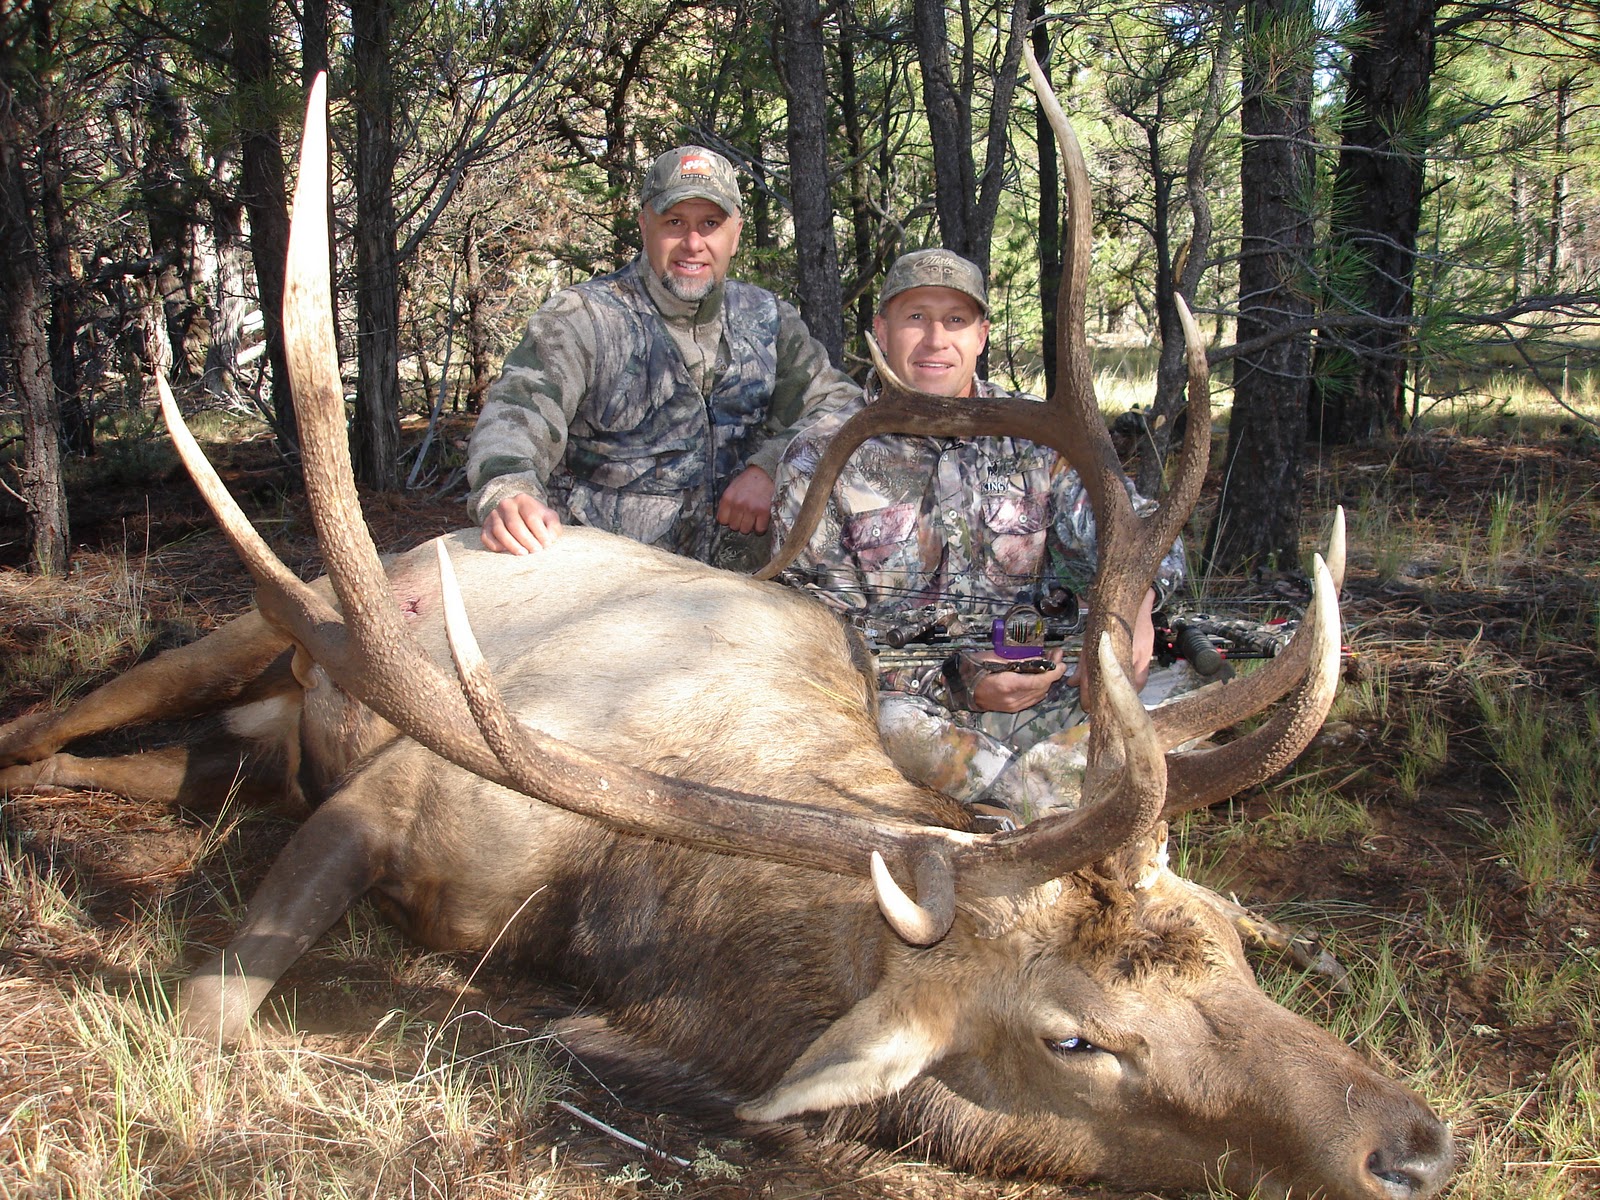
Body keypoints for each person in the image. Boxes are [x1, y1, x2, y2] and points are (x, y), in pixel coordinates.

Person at [771, 248, 1185, 822]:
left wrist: (1131, 609)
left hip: (1048, 688)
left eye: (956, 320)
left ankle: (1019, 806)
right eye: (915, 317)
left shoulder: (1043, 438)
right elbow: (812, 636)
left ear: (982, 334)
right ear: (880, 329)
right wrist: (959, 681)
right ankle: (1045, 807)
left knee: (1179, 696)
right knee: (881, 728)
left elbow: (1139, 534)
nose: (935, 339)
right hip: (903, 712)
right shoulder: (821, 454)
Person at [466, 145, 859, 571]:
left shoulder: (768, 320)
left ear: (737, 234)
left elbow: (841, 406)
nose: (693, 243)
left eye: (710, 224)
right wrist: (507, 488)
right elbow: (517, 411)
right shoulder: (584, 319)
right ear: (644, 225)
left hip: (743, 594)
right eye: (675, 223)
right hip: (610, 591)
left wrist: (772, 467)